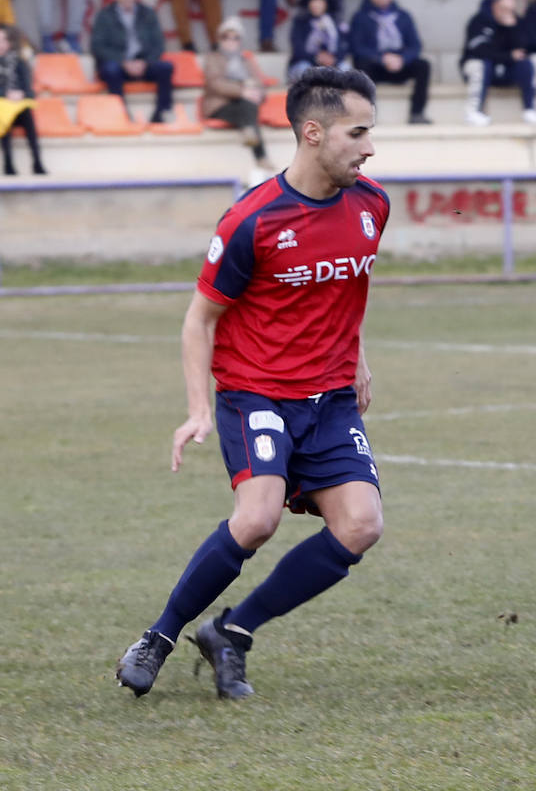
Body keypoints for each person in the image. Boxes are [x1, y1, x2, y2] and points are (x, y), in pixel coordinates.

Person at [114, 67, 388, 700]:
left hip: (330, 399)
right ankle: (158, 636)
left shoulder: (373, 204)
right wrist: (196, 410)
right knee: (258, 517)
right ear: (313, 133)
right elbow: (198, 319)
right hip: (256, 393)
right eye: (359, 132)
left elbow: (341, 288)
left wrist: (358, 356)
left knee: (360, 526)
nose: (370, 147)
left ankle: (231, 634)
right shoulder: (252, 219)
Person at [90, 0, 174, 124]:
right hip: (118, 65)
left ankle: (161, 113)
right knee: (110, 69)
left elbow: (158, 44)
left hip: (144, 64)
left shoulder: (148, 13)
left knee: (166, 68)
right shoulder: (104, 16)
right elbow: (97, 46)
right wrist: (123, 62)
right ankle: (120, 114)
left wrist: (145, 62)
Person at [349, 0, 431, 124]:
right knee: (361, 65)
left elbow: (415, 45)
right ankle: (368, 114)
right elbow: (357, 47)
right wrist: (382, 59)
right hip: (375, 67)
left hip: (400, 65)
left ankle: (417, 113)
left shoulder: (403, 16)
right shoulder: (361, 17)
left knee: (423, 65)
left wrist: (402, 59)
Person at [460, 0, 536, 126]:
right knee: (481, 64)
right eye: (503, 8)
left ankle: (530, 110)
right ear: (494, 5)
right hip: (481, 66)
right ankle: (473, 112)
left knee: (529, 63)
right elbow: (480, 51)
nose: (505, 13)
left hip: (506, 68)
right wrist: (508, 56)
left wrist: (511, 28)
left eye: (510, 10)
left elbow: (523, 49)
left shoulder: (515, 22)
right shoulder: (479, 20)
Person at [204, 17, 271, 168]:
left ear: (240, 40)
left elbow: (259, 83)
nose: (230, 41)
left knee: (248, 107)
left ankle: (248, 131)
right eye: (226, 37)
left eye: (235, 38)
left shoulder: (245, 61)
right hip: (219, 104)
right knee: (248, 108)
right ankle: (261, 157)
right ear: (219, 39)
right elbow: (216, 84)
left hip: (244, 105)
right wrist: (243, 91)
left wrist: (257, 93)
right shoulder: (213, 58)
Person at [0, 24, 44, 175]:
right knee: (3, 117)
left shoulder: (19, 62)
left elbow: (28, 88)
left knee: (28, 114)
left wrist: (21, 95)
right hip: (2, 107)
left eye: (3, 40)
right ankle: (8, 164)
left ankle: (37, 162)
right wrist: (6, 95)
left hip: (19, 105)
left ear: (10, 42)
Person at [288, 0, 349, 81]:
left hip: (332, 63)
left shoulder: (336, 22)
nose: (316, 4)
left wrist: (333, 58)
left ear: (327, 3)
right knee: (304, 69)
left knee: (345, 68)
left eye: (320, 1)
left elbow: (344, 45)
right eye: (314, 0)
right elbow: (297, 48)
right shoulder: (300, 22)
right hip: (306, 62)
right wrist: (317, 58)